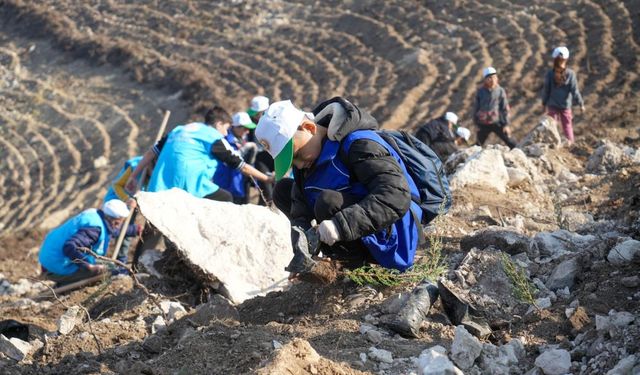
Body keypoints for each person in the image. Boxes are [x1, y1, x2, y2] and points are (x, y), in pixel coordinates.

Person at [255, 97, 423, 275]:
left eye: (297, 155)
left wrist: (339, 226)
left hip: (394, 232)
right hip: (357, 228)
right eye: (291, 162)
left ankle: (359, 272)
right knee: (282, 191)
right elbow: (300, 212)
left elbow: (395, 196)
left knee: (328, 201)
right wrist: (302, 252)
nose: (297, 164)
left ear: (309, 128)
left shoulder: (359, 144)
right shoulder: (306, 164)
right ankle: (338, 262)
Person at [126, 106, 273, 201]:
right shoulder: (213, 137)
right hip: (188, 187)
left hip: (158, 187)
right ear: (219, 124)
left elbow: (150, 154)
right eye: (225, 128)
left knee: (155, 228)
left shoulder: (179, 129)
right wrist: (266, 179)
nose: (225, 133)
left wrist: (133, 176)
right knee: (226, 198)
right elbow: (242, 166)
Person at [38, 200, 141, 286]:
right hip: (57, 266)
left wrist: (136, 230)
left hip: (50, 258)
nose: (120, 225)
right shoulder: (94, 230)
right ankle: (64, 283)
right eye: (120, 222)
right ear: (116, 222)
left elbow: (114, 230)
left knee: (109, 267)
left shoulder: (97, 216)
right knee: (111, 271)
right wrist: (88, 267)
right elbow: (69, 247)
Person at [103, 156, 145, 268]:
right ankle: (119, 264)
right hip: (117, 203)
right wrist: (127, 199)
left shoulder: (158, 173)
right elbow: (117, 185)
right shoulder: (136, 167)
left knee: (125, 233)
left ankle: (120, 263)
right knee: (120, 232)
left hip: (132, 204)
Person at [541, 46, 585, 145]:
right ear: (566, 59)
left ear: (554, 59)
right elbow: (575, 91)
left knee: (552, 127)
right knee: (567, 127)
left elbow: (546, 90)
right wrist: (581, 104)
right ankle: (570, 145)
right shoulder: (571, 74)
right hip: (566, 105)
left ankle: (553, 145)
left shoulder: (550, 74)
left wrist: (544, 104)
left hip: (552, 105)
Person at [213, 112, 259, 204]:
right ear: (236, 127)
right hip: (229, 186)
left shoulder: (242, 139)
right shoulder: (225, 140)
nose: (248, 131)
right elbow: (232, 159)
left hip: (241, 183)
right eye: (245, 128)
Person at [473, 67, 517, 148]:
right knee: (478, 145)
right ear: (485, 80)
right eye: (489, 78)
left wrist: (506, 125)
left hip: (497, 122)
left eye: (494, 77)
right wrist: (476, 124)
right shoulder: (480, 92)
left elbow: (505, 108)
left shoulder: (500, 91)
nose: (492, 80)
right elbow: (476, 108)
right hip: (483, 123)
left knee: (511, 142)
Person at [247, 95, 275, 205]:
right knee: (267, 191)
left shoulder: (274, 122)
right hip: (259, 159)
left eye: (257, 114)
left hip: (273, 157)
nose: (254, 117)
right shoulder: (250, 123)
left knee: (275, 188)